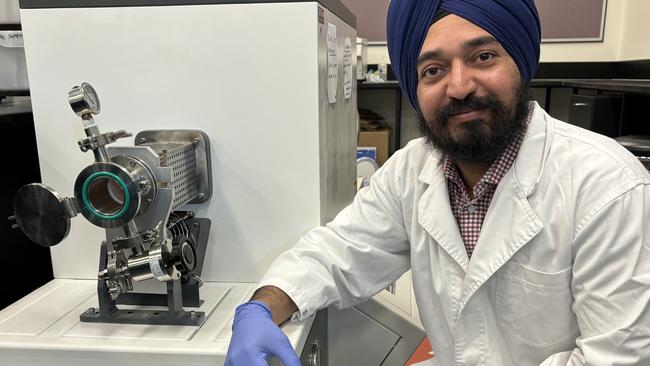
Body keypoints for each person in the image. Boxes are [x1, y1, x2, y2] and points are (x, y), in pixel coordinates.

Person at [225, 0, 650, 365]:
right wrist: (261, 308)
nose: (459, 86)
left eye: (483, 57)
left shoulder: (607, 186)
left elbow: (615, 356)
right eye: (433, 70)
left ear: (519, 62)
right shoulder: (413, 171)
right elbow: (337, 252)